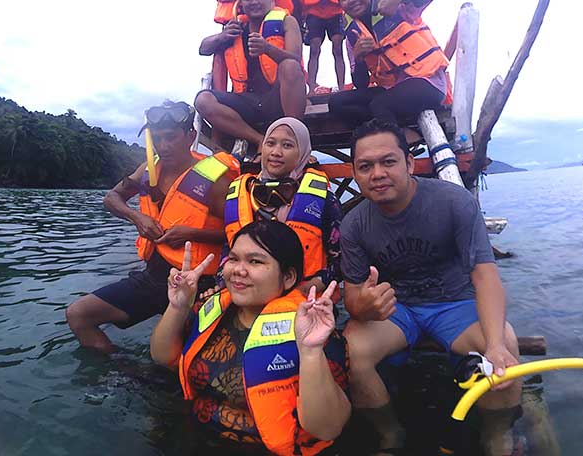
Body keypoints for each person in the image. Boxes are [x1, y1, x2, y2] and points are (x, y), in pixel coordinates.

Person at [340, 119, 523, 455]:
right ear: (354, 173)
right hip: (398, 310)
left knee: (505, 344)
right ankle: (390, 433)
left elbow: (485, 276)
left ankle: (497, 434)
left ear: (409, 163)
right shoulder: (353, 224)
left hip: (454, 304)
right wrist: (362, 306)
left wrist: (495, 344)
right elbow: (352, 296)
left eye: (388, 161)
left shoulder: (453, 202)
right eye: (365, 166)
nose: (377, 173)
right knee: (351, 351)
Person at [150, 222, 350, 455]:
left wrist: (311, 352)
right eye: (234, 259)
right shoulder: (210, 308)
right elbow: (162, 357)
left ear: (288, 277)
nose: (238, 270)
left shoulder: (313, 332)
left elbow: (328, 428)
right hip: (199, 434)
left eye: (255, 261)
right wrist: (178, 306)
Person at [65, 101, 238, 353]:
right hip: (153, 277)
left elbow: (240, 235)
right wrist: (137, 218)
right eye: (157, 138)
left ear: (190, 136)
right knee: (78, 315)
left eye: (171, 137)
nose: (163, 146)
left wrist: (194, 234)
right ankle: (122, 369)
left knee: (180, 356)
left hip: (197, 285)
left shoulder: (214, 181)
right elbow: (111, 198)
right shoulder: (148, 170)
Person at [224, 117, 342, 294]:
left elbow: (340, 259)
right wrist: (221, 283)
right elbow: (228, 249)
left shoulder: (324, 199)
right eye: (270, 143)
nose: (276, 152)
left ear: (303, 153)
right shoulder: (242, 192)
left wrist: (312, 286)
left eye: (287, 145)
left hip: (304, 299)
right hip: (248, 295)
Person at [327, 0, 452, 127]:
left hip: (428, 82)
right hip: (391, 89)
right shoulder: (353, 36)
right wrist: (359, 59)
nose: (352, 0)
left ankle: (396, 139)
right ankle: (386, 127)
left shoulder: (398, 7)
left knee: (380, 105)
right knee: (337, 103)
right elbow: (361, 84)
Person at [197, 0, 306, 148]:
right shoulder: (235, 28)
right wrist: (222, 36)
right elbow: (203, 49)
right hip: (247, 99)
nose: (254, 2)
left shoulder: (287, 21)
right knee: (203, 100)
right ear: (242, 2)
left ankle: (293, 137)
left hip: (278, 97)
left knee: (290, 66)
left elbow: (295, 58)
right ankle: (259, 140)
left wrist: (267, 48)